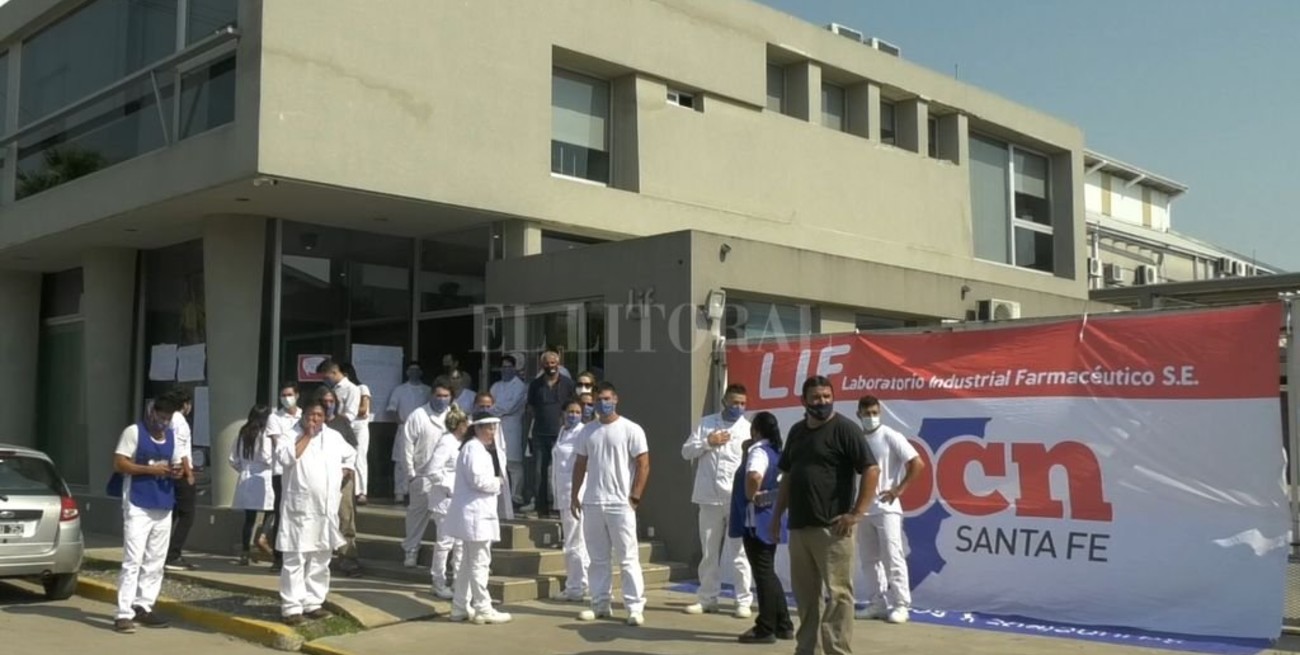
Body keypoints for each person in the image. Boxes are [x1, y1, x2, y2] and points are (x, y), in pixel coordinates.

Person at [770, 376, 879, 655]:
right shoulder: (797, 432)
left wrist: (856, 513)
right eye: (816, 398)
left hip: (833, 529)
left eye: (827, 397)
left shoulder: (845, 429)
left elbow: (871, 469)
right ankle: (807, 649)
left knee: (839, 595)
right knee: (806, 597)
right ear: (804, 401)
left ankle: (837, 650)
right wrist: (776, 517)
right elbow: (788, 476)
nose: (822, 402)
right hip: (799, 527)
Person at [571, 382, 650, 626]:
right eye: (599, 399)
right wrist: (575, 495)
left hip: (620, 503)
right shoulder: (587, 431)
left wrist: (635, 496)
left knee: (627, 558)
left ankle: (634, 607)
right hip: (593, 501)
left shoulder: (631, 429)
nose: (603, 403)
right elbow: (580, 464)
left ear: (615, 399)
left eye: (607, 398)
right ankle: (600, 603)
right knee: (597, 558)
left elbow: (643, 463)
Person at [273, 397, 356, 626]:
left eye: (319, 415)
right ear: (303, 415)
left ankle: (313, 602)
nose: (315, 419)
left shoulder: (333, 437)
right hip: (299, 509)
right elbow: (285, 458)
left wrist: (345, 470)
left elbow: (351, 454)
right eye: (311, 415)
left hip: (325, 508)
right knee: (296, 558)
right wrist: (307, 436)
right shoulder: (290, 435)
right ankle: (291, 607)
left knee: (321, 557)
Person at [111, 394, 185, 633]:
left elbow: (178, 465)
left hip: (163, 504)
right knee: (133, 560)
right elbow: (119, 463)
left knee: (155, 561)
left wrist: (177, 472)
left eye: (168, 419)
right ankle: (123, 613)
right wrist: (150, 470)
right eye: (160, 417)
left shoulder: (172, 437)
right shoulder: (134, 432)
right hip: (138, 504)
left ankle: (144, 605)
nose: (163, 423)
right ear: (151, 413)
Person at [680, 384, 754, 618]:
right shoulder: (706, 423)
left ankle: (743, 601)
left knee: (739, 553)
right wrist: (708, 442)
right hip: (709, 497)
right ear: (724, 401)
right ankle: (707, 598)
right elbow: (686, 452)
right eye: (734, 402)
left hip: (735, 499)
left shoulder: (748, 429)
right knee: (709, 552)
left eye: (742, 403)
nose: (738, 407)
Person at [854, 395, 924, 625]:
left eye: (874, 413)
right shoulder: (856, 439)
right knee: (868, 559)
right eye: (866, 413)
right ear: (858, 414)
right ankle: (877, 603)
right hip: (862, 508)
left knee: (892, 556)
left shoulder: (890, 435)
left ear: (880, 413)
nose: (871, 417)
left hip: (886, 508)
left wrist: (898, 489)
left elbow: (917, 463)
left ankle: (901, 604)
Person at [730, 412, 793, 644]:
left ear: (755, 430)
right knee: (768, 571)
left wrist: (751, 494)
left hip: (756, 520)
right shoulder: (776, 451)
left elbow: (754, 475)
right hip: (770, 516)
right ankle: (784, 623)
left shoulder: (759, 452)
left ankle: (765, 627)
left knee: (762, 573)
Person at [444, 411, 512, 625]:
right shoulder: (474, 448)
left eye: (494, 428)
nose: (492, 432)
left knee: (467, 563)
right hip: (475, 516)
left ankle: (459, 606)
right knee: (480, 563)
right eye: (488, 428)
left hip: (476, 514)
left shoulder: (475, 448)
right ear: (478, 429)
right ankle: (483, 607)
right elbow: (478, 481)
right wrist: (498, 482)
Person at [401, 380, 454, 567]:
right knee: (417, 516)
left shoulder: (455, 416)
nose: (442, 399)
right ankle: (411, 550)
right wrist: (410, 473)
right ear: (431, 395)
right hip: (422, 475)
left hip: (447, 477)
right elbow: (407, 445)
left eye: (446, 396)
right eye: (438, 395)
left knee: (447, 518)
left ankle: (450, 557)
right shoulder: (418, 415)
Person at [320, 388, 363, 577]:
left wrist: (346, 470)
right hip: (317, 480)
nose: (328, 405)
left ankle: (348, 559)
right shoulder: (308, 425)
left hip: (342, 479)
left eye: (332, 401)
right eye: (324, 401)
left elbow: (353, 449)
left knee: (346, 519)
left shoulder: (341, 423)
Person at [527, 350, 575, 517]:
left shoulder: (568, 383)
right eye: (547, 363)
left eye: (553, 363)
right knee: (539, 473)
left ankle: (561, 508)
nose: (551, 366)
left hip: (561, 434)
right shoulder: (535, 385)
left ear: (558, 364)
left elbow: (572, 406)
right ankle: (541, 509)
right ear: (542, 365)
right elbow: (531, 407)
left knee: (560, 471)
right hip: (540, 434)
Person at [228, 405, 277, 567]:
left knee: (249, 519)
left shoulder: (243, 433)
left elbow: (233, 459)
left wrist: (244, 468)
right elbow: (267, 457)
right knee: (272, 509)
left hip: (246, 477)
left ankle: (245, 553)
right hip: (263, 476)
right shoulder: (265, 434)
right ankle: (262, 536)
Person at [428, 405, 469, 599]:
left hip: (459, 500)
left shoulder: (462, 443)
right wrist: (449, 488)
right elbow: (433, 470)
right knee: (444, 543)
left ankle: (458, 580)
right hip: (444, 500)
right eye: (466, 423)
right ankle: (438, 582)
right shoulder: (446, 442)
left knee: (460, 543)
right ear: (458, 425)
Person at [552, 399, 590, 602]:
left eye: (577, 412)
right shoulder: (563, 431)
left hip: (575, 493)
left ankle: (576, 586)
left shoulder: (583, 433)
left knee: (574, 542)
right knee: (575, 540)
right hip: (563, 492)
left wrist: (577, 494)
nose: (573, 415)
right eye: (570, 411)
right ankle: (582, 583)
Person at [266, 381, 303, 572]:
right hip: (280, 471)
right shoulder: (275, 417)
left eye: (290, 394)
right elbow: (278, 443)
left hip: (301, 471)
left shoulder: (304, 415)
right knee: (281, 513)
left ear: (297, 395)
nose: (286, 398)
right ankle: (278, 557)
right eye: (283, 395)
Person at [164, 389, 198, 572]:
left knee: (173, 514)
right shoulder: (180, 421)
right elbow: (180, 449)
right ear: (185, 404)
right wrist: (188, 472)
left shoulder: (169, 419)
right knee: (187, 515)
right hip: (180, 471)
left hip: (171, 470)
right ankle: (173, 554)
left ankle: (164, 552)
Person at [388, 362, 432, 504]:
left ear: (421, 372)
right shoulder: (399, 390)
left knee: (420, 459)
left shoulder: (427, 390)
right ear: (407, 372)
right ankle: (400, 492)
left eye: (417, 370)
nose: (414, 372)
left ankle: (417, 492)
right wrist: (401, 423)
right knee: (401, 461)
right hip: (404, 428)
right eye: (411, 370)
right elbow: (392, 409)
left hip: (423, 431)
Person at [489, 354, 529, 510]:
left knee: (513, 463)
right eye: (503, 367)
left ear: (514, 368)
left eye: (509, 367)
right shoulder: (495, 386)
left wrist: (496, 409)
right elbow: (489, 406)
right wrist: (497, 409)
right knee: (498, 462)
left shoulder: (520, 386)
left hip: (513, 427)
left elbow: (510, 408)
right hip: (496, 426)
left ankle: (516, 497)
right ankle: (500, 496)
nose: (506, 370)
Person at [342, 363, 373, 506]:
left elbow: (363, 409)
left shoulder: (362, 388)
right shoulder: (343, 390)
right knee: (346, 457)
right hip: (346, 426)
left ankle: (361, 492)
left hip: (359, 427)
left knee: (360, 457)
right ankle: (349, 490)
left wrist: (348, 410)